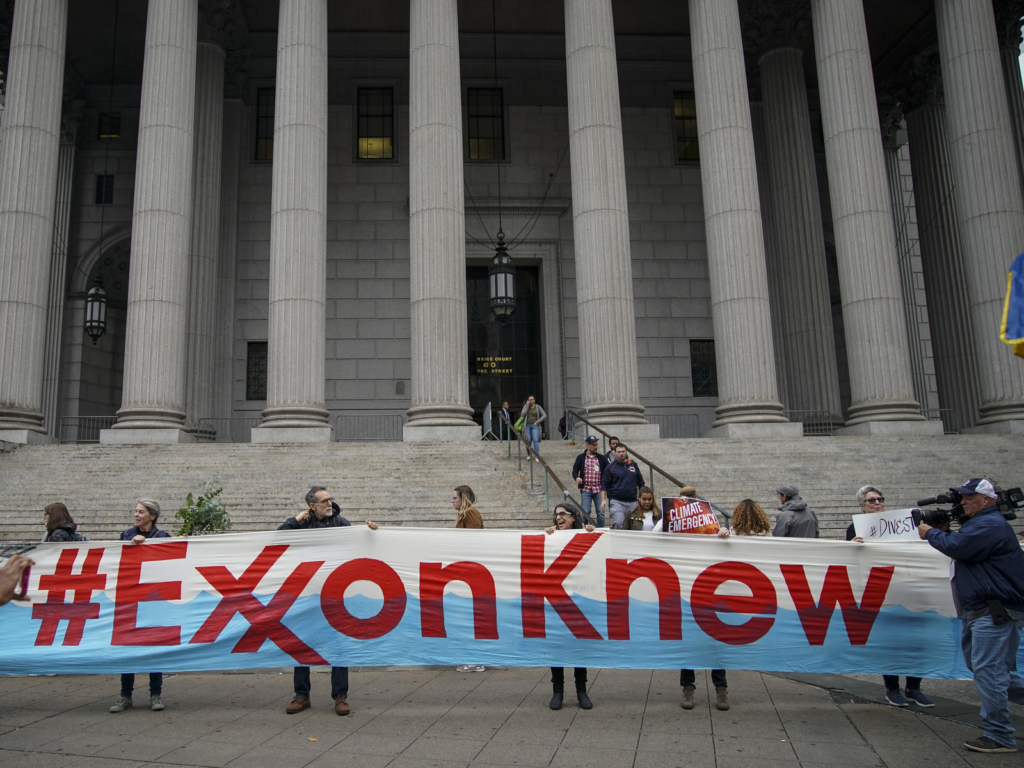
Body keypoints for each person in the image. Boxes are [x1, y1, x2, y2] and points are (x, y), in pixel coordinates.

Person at [919, 478, 1024, 753]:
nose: (963, 502)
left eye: (969, 498)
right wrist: (943, 531)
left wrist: (931, 533)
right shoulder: (981, 525)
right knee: (989, 672)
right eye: (962, 498)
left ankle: (999, 735)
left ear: (987, 501)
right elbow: (961, 545)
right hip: (980, 610)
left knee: (989, 672)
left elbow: (958, 547)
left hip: (993, 611)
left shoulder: (990, 524)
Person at [278, 486, 377, 716]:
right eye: (324, 501)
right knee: (301, 644)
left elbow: (362, 545)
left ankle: (340, 696)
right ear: (312, 506)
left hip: (335, 595)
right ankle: (302, 696)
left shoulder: (341, 523)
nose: (329, 504)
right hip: (306, 594)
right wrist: (293, 520)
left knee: (338, 645)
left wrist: (370, 531)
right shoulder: (301, 524)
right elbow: (276, 539)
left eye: (330, 499)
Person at [847, 486, 936, 708]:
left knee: (917, 641)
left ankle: (914, 687)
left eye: (880, 499)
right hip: (881, 592)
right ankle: (892, 688)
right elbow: (848, 560)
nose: (877, 503)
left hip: (910, 588)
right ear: (862, 506)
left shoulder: (902, 526)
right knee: (891, 642)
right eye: (871, 501)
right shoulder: (855, 528)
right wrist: (852, 546)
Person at [111, 499, 170, 714]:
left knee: (153, 649)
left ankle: (156, 694)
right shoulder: (126, 535)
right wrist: (130, 546)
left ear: (152, 516)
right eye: (135, 511)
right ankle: (125, 695)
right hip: (130, 601)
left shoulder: (163, 538)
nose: (136, 515)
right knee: (129, 649)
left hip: (154, 602)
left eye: (141, 512)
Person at [677, 484, 729, 711]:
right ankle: (688, 688)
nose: (687, 500)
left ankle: (721, 689)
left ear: (696, 497)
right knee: (688, 643)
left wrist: (725, 534)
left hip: (708, 588)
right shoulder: (673, 517)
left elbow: (721, 538)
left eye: (690, 497)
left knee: (715, 642)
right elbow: (655, 536)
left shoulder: (709, 517)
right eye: (683, 498)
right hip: (685, 588)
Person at [544, 503, 595, 709]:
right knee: (557, 646)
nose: (558, 518)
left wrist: (592, 533)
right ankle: (558, 691)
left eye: (563, 514)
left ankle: (581, 690)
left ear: (574, 518)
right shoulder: (551, 537)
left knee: (578, 647)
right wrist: (546, 536)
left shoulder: (583, 536)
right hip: (556, 600)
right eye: (556, 515)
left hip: (579, 599)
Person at [453, 485, 485, 671]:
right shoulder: (464, 514)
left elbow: (474, 540)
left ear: (463, 498)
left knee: (472, 616)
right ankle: (471, 656)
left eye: (454, 498)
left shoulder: (470, 514)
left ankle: (476, 659)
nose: (452, 501)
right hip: (467, 569)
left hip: (472, 570)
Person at [600, 444, 644, 529]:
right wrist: (603, 500)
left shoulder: (633, 465)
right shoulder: (610, 467)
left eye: (623, 451)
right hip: (617, 501)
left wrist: (642, 497)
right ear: (614, 453)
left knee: (635, 525)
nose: (621, 454)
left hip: (633, 501)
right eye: (619, 452)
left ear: (626, 452)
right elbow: (604, 484)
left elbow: (641, 482)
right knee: (618, 523)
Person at [572, 436, 608, 527]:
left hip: (598, 488)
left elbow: (608, 469)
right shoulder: (581, 458)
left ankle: (600, 530)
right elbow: (575, 470)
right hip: (586, 489)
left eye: (596, 445)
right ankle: (584, 529)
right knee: (585, 512)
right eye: (593, 445)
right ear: (588, 445)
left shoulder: (601, 458)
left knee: (601, 512)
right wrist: (577, 478)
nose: (595, 447)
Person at [520, 395, 546, 459]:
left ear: (534, 400)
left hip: (535, 425)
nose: (531, 401)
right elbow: (522, 414)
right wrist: (526, 406)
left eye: (532, 399)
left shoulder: (538, 407)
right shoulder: (526, 406)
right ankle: (529, 454)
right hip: (527, 425)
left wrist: (537, 422)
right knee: (528, 440)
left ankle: (537, 455)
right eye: (529, 400)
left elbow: (544, 415)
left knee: (535, 439)